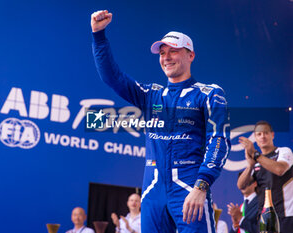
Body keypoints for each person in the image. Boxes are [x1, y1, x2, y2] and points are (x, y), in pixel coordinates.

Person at [91, 10, 231, 233]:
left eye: (173, 51)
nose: (166, 57)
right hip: (152, 193)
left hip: (189, 189)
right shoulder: (150, 95)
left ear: (190, 55)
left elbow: (219, 140)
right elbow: (112, 77)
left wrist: (201, 186)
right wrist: (98, 35)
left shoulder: (209, 94)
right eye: (162, 53)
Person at [237, 120, 293, 232]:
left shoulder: (283, 151)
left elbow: (279, 169)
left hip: (286, 216)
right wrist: (250, 166)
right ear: (256, 139)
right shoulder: (256, 161)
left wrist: (256, 155)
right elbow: (241, 185)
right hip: (264, 218)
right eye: (259, 134)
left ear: (272, 135)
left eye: (266, 133)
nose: (263, 136)